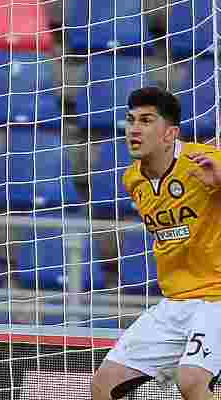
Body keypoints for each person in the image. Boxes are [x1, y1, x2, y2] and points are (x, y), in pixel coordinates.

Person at [91, 87, 221, 400]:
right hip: (175, 302)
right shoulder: (132, 179)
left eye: (147, 120)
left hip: (217, 298)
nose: (134, 129)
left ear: (169, 133)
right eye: (131, 119)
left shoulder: (205, 162)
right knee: (102, 386)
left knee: (191, 381)